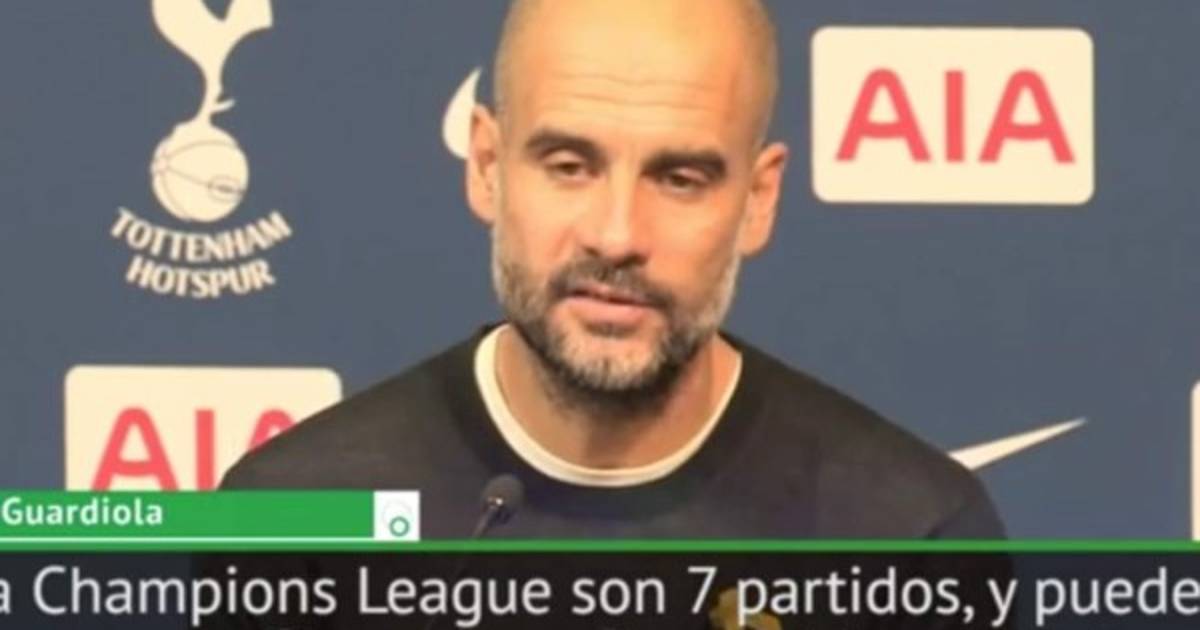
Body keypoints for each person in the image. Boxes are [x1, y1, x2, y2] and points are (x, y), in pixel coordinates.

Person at [221, 0, 1005, 539]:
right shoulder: (292, 516)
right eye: (569, 166)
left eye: (680, 179)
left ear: (759, 200)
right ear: (487, 165)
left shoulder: (912, 534)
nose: (617, 235)